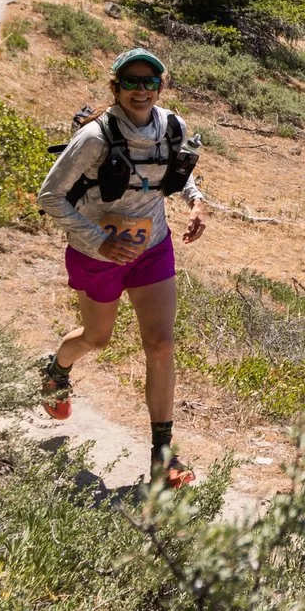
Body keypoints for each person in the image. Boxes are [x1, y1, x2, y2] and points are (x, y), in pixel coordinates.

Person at [37, 45, 207, 488]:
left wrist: (195, 202)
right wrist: (100, 242)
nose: (140, 89)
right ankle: (57, 370)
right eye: (130, 81)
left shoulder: (172, 125)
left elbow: (176, 171)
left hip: (152, 247)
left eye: (149, 82)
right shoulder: (94, 137)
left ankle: (163, 457)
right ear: (116, 87)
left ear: (160, 86)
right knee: (97, 338)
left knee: (162, 345)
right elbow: (49, 196)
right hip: (97, 254)